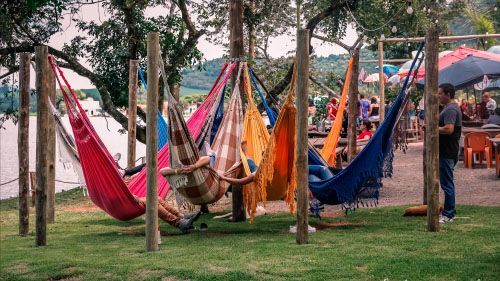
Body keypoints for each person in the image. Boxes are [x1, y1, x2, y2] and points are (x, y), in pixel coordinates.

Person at [437, 83, 462, 224]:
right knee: (447, 183)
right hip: (447, 151)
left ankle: (448, 214)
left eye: (440, 93)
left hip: (447, 152)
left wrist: (433, 127)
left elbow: (448, 129)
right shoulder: (448, 108)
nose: (438, 96)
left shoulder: (451, 109)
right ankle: (450, 210)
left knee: (447, 184)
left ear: (448, 94)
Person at [133, 195, 201, 233]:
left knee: (157, 198)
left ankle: (181, 216)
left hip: (131, 199)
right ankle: (179, 223)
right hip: (128, 204)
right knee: (151, 201)